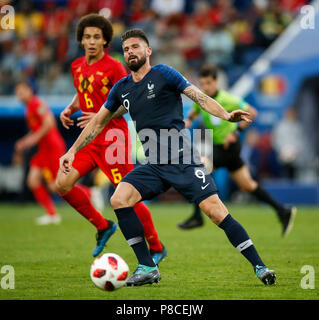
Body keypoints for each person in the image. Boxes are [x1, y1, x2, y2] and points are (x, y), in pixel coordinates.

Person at [59, 29, 277, 287]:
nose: (130, 52)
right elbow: (97, 122)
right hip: (153, 165)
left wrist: (227, 116)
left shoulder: (165, 74)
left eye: (135, 47)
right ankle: (148, 266)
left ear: (148, 51)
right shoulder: (122, 89)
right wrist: (72, 151)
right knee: (119, 198)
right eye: (126, 49)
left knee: (217, 213)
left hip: (182, 159)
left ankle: (260, 266)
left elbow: (200, 97)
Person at [55, 14, 166, 263]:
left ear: (105, 41)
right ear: (81, 40)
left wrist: (100, 114)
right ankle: (103, 226)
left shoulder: (115, 67)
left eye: (97, 37)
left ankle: (157, 247)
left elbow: (129, 100)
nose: (92, 41)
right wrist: (71, 108)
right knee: (61, 184)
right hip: (89, 140)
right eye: (87, 37)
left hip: (113, 139)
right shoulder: (76, 66)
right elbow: (82, 89)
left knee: (126, 195)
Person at [178, 64, 296, 236]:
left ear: (216, 82)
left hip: (229, 147)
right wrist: (188, 120)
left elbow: (252, 112)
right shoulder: (202, 98)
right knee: (247, 184)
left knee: (199, 172)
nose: (205, 87)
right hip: (219, 148)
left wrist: (237, 132)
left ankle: (197, 217)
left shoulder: (228, 99)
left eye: (209, 83)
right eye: (202, 84)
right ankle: (282, 211)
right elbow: (196, 111)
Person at [14, 81, 66, 225]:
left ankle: (90, 193)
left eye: (21, 91)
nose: (19, 95)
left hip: (52, 147)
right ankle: (52, 214)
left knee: (57, 186)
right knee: (33, 180)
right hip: (43, 149)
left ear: (29, 90)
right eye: (17, 93)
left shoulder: (36, 104)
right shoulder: (29, 108)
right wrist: (25, 141)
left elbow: (49, 123)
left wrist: (32, 140)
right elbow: (37, 128)